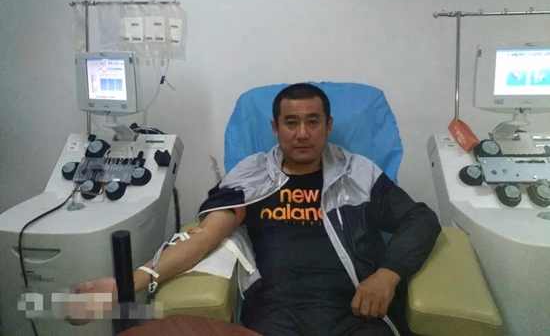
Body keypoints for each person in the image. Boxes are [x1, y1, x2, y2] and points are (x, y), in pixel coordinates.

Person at [71, 83, 441, 336]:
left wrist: (387, 275)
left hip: (355, 310)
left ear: (328, 126)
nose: (302, 133)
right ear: (275, 128)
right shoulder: (252, 176)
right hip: (277, 314)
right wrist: (127, 285)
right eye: (291, 123)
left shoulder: (358, 173)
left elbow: (420, 218)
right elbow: (207, 236)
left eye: (313, 122)